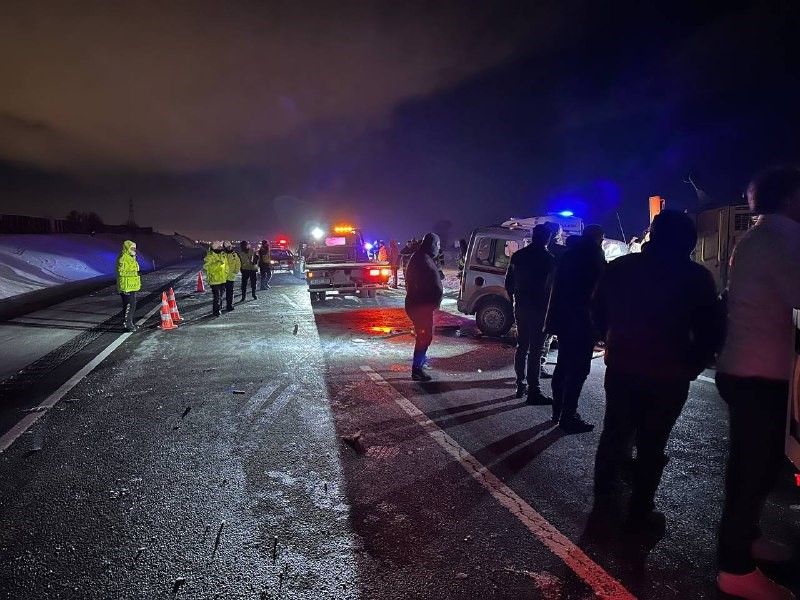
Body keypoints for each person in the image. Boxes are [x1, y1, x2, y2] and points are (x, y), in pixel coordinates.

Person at [591, 210, 723, 529]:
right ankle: (640, 511)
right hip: (669, 375)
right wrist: (691, 366)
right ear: (689, 242)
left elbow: (596, 311)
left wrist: (610, 338)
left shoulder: (620, 268)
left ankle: (603, 505)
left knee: (615, 434)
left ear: (652, 235)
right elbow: (712, 331)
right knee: (652, 443)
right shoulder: (697, 278)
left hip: (622, 367)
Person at [714, 166, 800, 600]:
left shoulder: (758, 236)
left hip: (745, 367)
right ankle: (735, 566)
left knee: (757, 466)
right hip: (759, 372)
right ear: (789, 197)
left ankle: (746, 540)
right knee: (754, 468)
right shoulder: (783, 237)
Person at [545, 224, 606, 433]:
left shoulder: (569, 255)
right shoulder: (594, 256)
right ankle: (568, 416)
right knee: (578, 370)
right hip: (582, 322)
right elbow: (599, 291)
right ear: (598, 238)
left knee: (563, 366)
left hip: (563, 319)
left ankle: (557, 410)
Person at [504, 224, 556, 403]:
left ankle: (520, 385)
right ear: (547, 238)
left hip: (522, 308)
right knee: (535, 350)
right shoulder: (548, 259)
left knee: (522, 347)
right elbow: (551, 288)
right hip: (539, 309)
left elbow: (508, 283)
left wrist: (514, 304)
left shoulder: (518, 256)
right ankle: (534, 391)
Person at [405, 233, 443, 382]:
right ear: (432, 244)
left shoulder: (423, 257)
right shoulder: (421, 260)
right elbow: (419, 284)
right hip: (420, 306)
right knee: (424, 337)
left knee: (424, 337)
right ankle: (417, 370)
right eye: (437, 245)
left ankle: (420, 362)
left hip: (422, 306)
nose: (439, 248)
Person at [116, 240, 141, 332]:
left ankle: (130, 323)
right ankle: (128, 325)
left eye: (135, 248)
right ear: (127, 248)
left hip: (132, 285)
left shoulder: (131, 257)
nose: (134, 249)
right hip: (126, 286)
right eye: (132, 248)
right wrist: (134, 270)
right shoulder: (123, 258)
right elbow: (121, 272)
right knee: (129, 306)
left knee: (132, 305)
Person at [204, 241, 228, 317]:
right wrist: (217, 264)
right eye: (219, 246)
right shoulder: (209, 256)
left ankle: (219, 308)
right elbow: (206, 267)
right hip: (214, 280)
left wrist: (226, 273)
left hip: (223, 279)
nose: (221, 247)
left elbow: (226, 265)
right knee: (217, 296)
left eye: (221, 246)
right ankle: (216, 311)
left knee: (220, 296)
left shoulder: (223, 255)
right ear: (215, 247)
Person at [223, 241, 240, 311]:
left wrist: (236, 271)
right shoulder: (222, 254)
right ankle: (219, 307)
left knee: (229, 293)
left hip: (231, 277)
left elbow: (238, 263)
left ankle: (229, 306)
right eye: (228, 247)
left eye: (230, 246)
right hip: (222, 277)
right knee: (221, 293)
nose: (229, 248)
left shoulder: (234, 255)